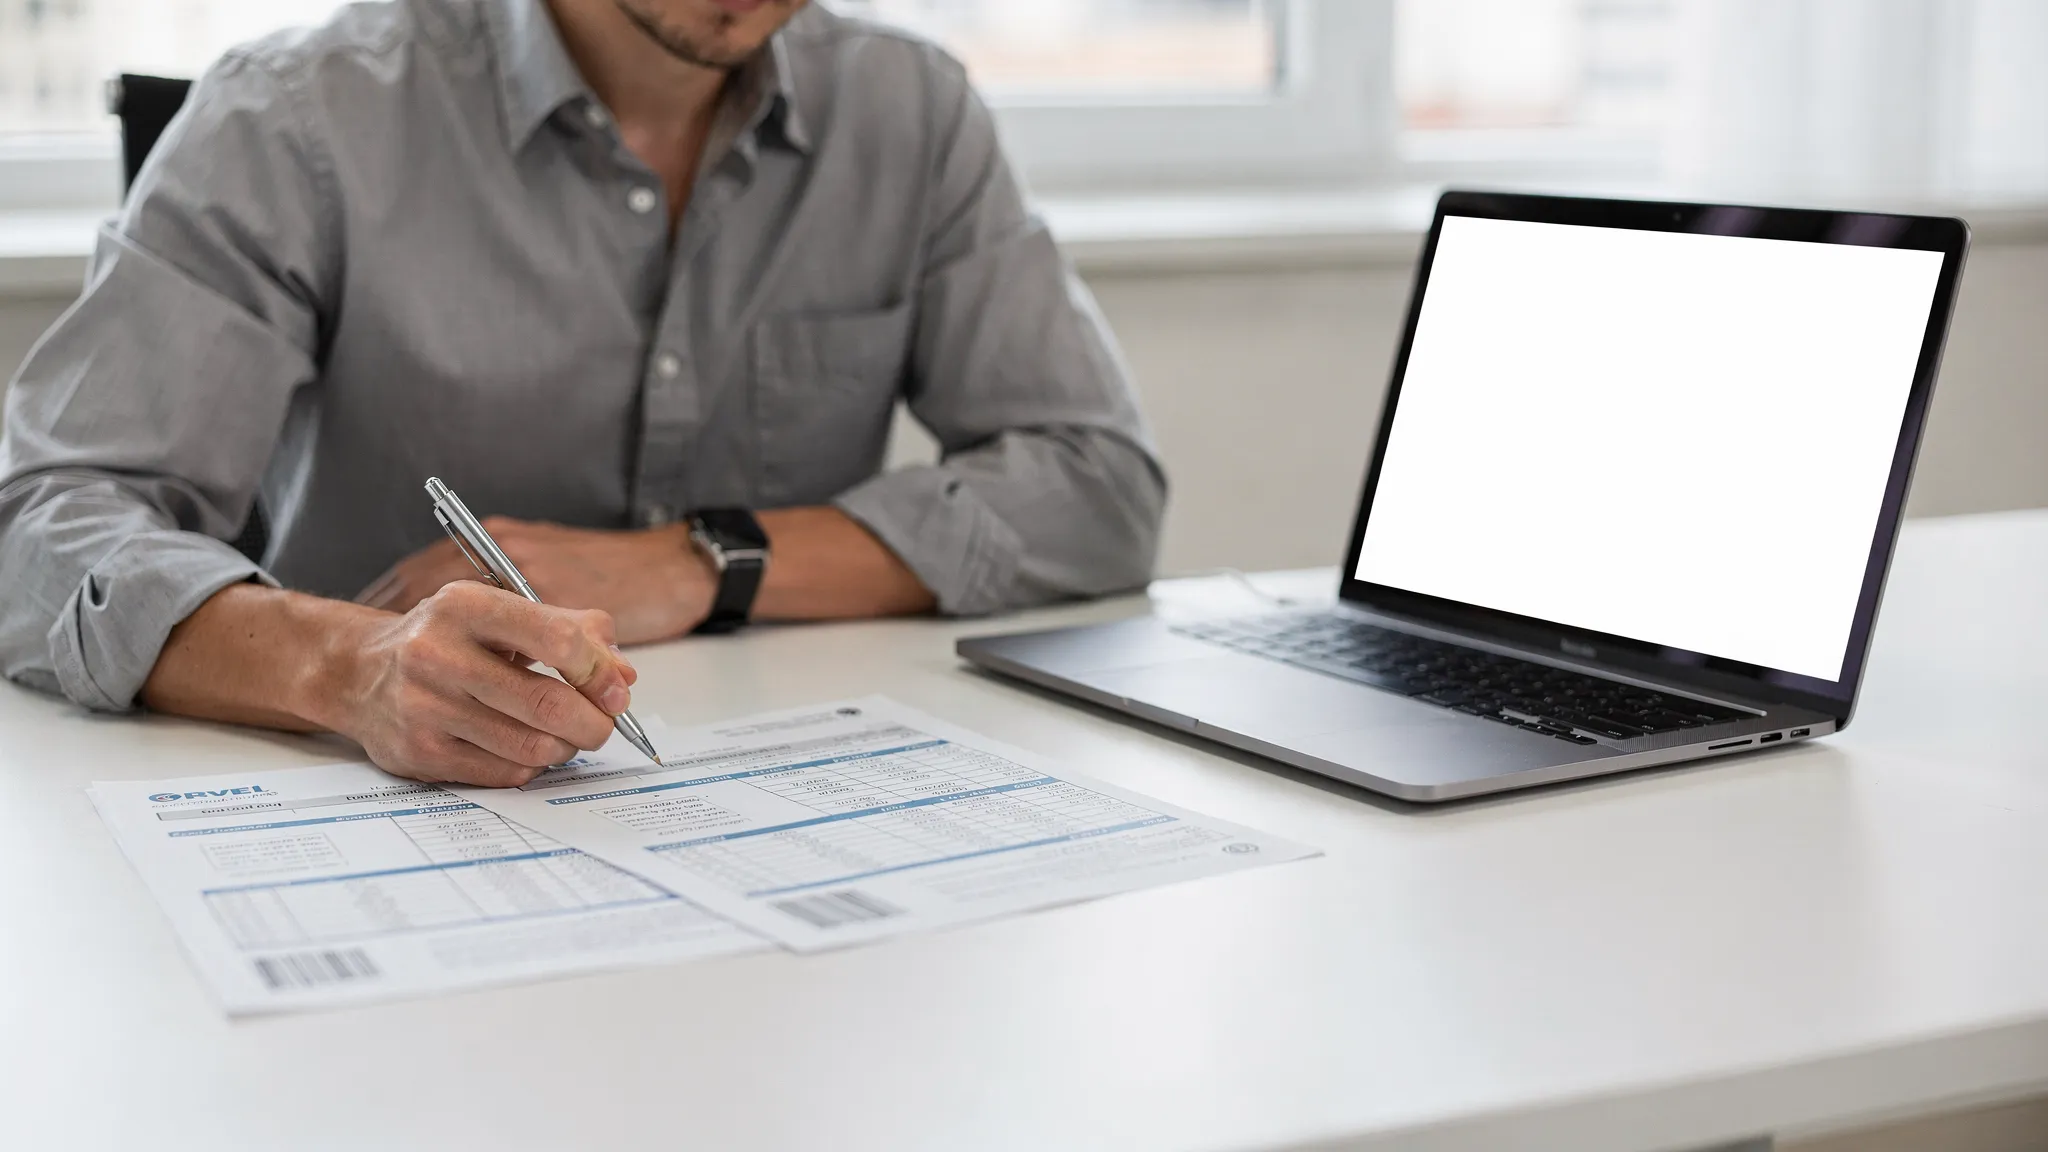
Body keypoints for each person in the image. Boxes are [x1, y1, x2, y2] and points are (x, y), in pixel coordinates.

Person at [0, 0, 1164, 786]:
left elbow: (1096, 484)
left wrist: (696, 561)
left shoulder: (911, 114)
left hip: (761, 823)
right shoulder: (301, 115)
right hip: (367, 823)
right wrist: (351, 667)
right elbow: (40, 523)